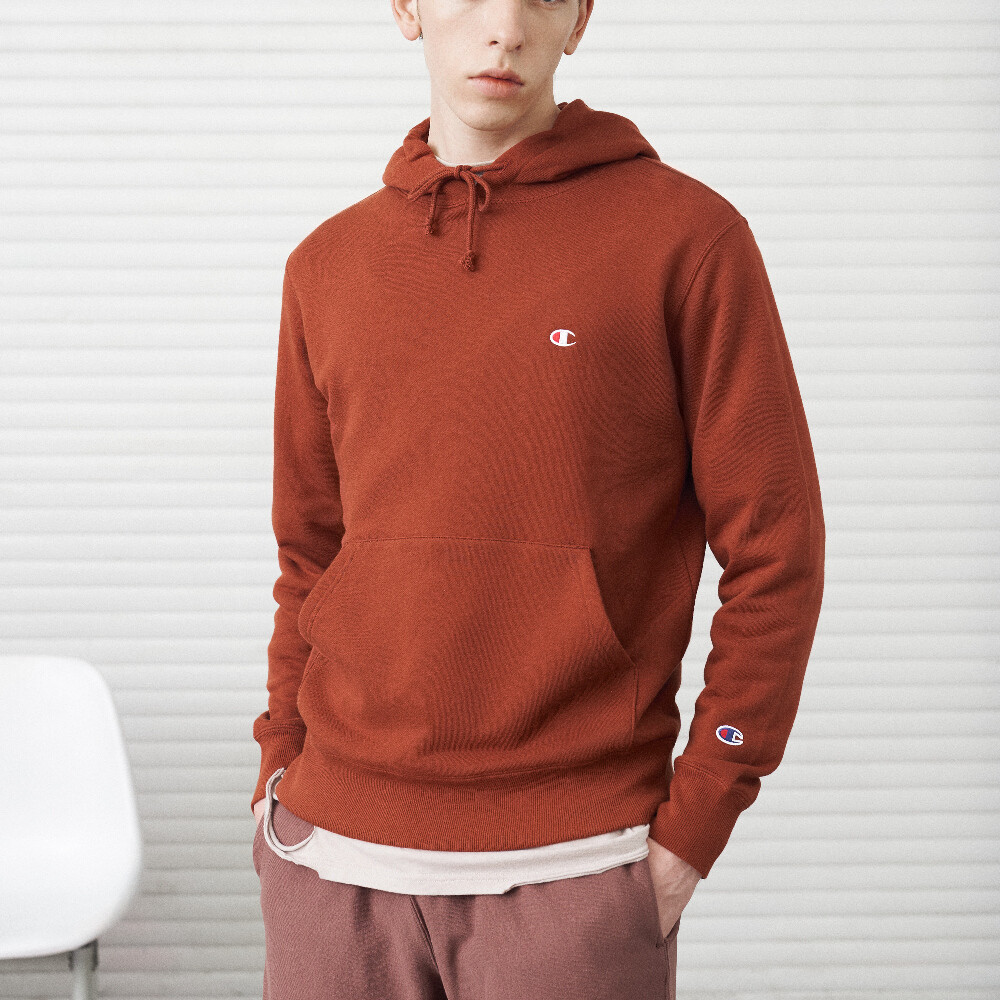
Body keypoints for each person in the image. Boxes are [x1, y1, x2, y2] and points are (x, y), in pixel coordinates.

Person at [249, 0, 826, 997]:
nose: (505, 28)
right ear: (407, 9)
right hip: (329, 860)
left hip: (575, 868)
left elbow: (777, 550)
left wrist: (698, 819)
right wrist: (274, 771)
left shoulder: (687, 240)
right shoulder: (327, 265)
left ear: (580, 19)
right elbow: (311, 555)